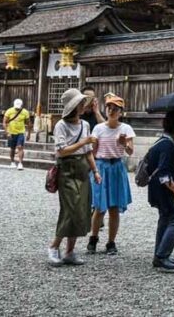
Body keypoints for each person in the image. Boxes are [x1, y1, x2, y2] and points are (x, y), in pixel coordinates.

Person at [47, 88, 100, 267]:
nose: (83, 105)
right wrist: (83, 142)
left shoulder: (85, 125)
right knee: (71, 210)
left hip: (82, 170)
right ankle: (54, 247)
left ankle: (70, 251)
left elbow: (88, 152)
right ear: (73, 106)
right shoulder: (61, 125)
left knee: (82, 210)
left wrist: (95, 171)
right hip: (67, 170)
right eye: (80, 103)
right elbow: (61, 151)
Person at [86, 95, 135, 255]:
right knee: (99, 207)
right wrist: (93, 170)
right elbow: (93, 151)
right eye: (109, 108)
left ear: (121, 112)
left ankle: (111, 242)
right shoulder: (99, 128)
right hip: (101, 166)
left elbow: (130, 151)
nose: (112, 111)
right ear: (106, 109)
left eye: (115, 109)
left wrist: (124, 144)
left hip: (117, 167)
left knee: (114, 208)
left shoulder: (126, 129)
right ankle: (93, 238)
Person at [147, 110, 174, 272]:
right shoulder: (168, 145)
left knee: (165, 218)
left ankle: (159, 255)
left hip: (155, 187)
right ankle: (162, 255)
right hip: (163, 188)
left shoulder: (164, 142)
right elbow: (164, 173)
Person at [3, 98, 32, 170]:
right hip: (11, 132)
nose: (17, 109)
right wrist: (7, 132)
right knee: (12, 148)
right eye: (16, 108)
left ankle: (20, 163)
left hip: (21, 132)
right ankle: (12, 162)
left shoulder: (25, 112)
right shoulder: (9, 111)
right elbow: (4, 122)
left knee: (20, 146)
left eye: (19, 108)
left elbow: (29, 123)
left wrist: (29, 134)